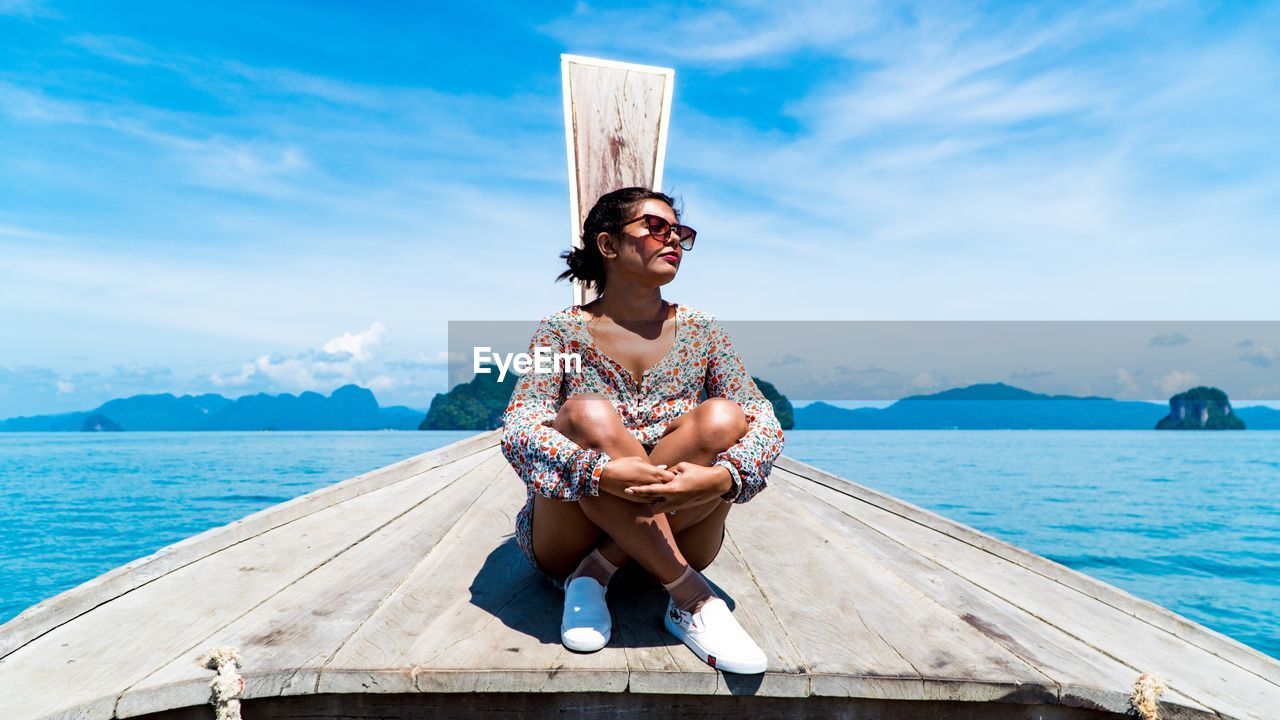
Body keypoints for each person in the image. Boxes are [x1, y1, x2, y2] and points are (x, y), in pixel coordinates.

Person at [500, 187, 785, 675]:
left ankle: (598, 571)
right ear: (608, 246)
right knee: (586, 413)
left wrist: (723, 479)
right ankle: (692, 597)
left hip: (684, 518)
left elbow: (764, 418)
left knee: (724, 416)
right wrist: (598, 472)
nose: (673, 238)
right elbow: (520, 426)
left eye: (680, 232)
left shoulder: (703, 331)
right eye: (655, 227)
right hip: (570, 537)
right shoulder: (560, 332)